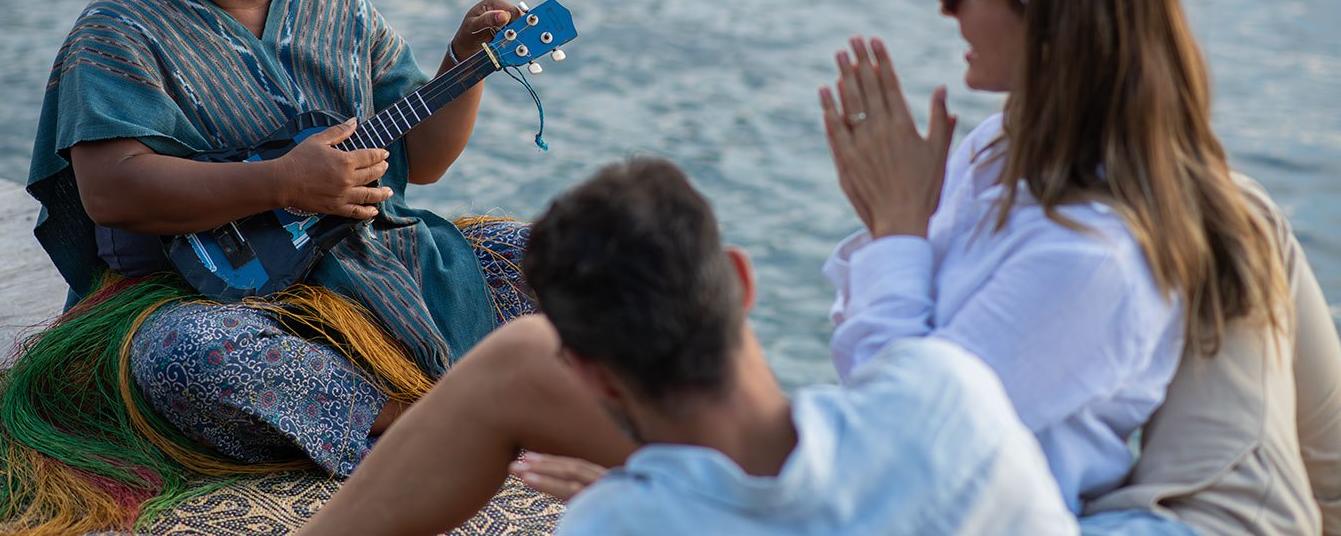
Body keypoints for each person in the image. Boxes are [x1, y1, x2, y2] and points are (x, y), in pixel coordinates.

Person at [0, 0, 536, 534]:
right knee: (186, 357)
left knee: (533, 253)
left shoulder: (336, 2)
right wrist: (280, 181)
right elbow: (111, 190)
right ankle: (402, 422)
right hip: (199, 293)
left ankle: (459, 389)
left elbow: (420, 161)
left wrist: (466, 64)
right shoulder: (123, 29)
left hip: (371, 262)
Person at [817, 0, 1339, 531]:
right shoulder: (996, 149)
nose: (945, 9)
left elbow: (902, 444)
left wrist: (898, 230)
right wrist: (893, 215)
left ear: (1044, 17)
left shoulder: (1094, 258)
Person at [293, 157, 1079, 535]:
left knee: (516, 356)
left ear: (593, 374)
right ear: (740, 280)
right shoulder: (947, 395)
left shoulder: (625, 524)